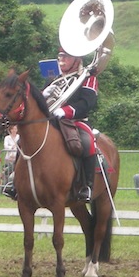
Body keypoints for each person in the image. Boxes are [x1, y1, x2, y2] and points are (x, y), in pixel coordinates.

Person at [44, 48, 98, 202]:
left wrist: (66, 111)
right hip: (51, 120)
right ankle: (15, 181)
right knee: (24, 138)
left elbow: (87, 102)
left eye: (66, 57)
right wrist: (43, 94)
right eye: (60, 56)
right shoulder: (54, 78)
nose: (61, 60)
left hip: (76, 121)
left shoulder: (88, 77)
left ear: (76, 59)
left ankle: (87, 186)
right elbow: (40, 102)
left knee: (88, 143)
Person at [2, 124, 19, 190]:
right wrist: (12, 147)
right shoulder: (7, 138)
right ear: (11, 130)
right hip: (9, 157)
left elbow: (19, 146)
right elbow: (6, 146)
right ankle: (5, 187)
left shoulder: (18, 137)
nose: (14, 130)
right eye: (13, 129)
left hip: (16, 157)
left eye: (16, 128)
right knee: (7, 172)